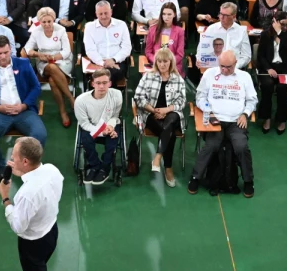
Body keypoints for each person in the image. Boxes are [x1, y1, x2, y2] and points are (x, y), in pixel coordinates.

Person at [0, 136, 64, 271]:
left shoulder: (27, 194)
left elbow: (19, 226)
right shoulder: (52, 171)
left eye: (14, 157)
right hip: (50, 231)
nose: (11, 159)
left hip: (32, 244)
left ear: (25, 161)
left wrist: (6, 199)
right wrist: (20, 174)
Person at [188, 50, 258, 197]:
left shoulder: (244, 77)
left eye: (229, 67)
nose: (225, 70)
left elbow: (252, 100)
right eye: (222, 66)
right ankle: (195, 177)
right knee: (212, 146)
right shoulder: (209, 74)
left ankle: (248, 181)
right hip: (215, 120)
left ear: (235, 64)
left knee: (241, 146)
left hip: (236, 121)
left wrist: (245, 114)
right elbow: (200, 96)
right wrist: (208, 111)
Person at [0, 35, 45, 188]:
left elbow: (36, 87)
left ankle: (27, 169)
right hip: (0, 113)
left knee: (40, 135)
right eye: (0, 53)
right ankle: (3, 169)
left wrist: (24, 105)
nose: (3, 56)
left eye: (6, 52)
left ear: (10, 50)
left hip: (24, 111)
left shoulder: (24, 63)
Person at [133, 48, 187, 189]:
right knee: (168, 132)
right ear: (156, 62)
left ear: (171, 62)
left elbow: (182, 101)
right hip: (151, 114)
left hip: (172, 114)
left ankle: (158, 157)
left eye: (165, 61)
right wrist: (154, 110)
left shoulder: (178, 79)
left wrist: (166, 110)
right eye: (160, 61)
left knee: (171, 121)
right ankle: (168, 168)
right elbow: (138, 97)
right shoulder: (148, 76)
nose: (162, 64)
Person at [23, 7, 73, 126]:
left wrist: (54, 58)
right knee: (51, 68)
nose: (46, 24)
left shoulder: (60, 29)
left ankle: (63, 111)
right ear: (40, 22)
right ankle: (71, 98)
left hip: (62, 60)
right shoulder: (36, 32)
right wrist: (38, 54)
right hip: (44, 63)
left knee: (52, 80)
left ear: (53, 20)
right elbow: (27, 48)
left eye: (49, 21)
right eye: (43, 22)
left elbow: (67, 51)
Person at [74, 69, 124, 185]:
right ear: (93, 84)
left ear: (110, 83)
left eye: (105, 83)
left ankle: (105, 169)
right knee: (86, 139)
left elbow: (115, 116)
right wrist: (102, 132)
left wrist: (110, 127)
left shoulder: (117, 95)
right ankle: (94, 165)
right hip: (91, 127)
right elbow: (84, 124)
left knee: (112, 142)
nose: (101, 86)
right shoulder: (81, 101)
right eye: (98, 83)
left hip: (110, 125)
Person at [255, 9, 287, 134]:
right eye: (282, 24)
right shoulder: (265, 34)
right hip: (269, 67)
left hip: (285, 68)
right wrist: (268, 68)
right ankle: (266, 117)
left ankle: (281, 119)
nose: (285, 27)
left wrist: (281, 37)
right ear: (275, 21)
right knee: (267, 86)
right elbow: (261, 55)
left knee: (282, 88)